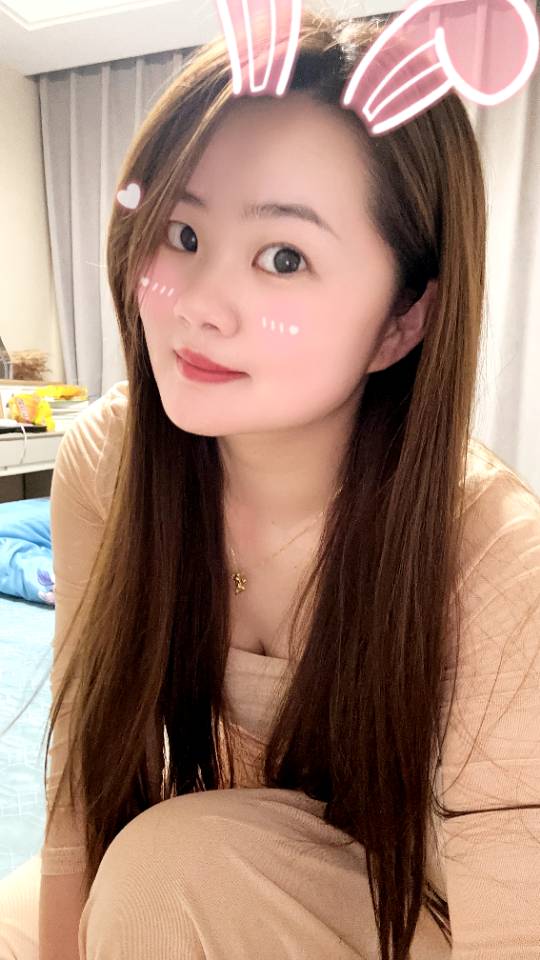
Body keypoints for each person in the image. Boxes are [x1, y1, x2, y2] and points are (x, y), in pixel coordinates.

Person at [1, 10, 539, 960]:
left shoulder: (495, 559)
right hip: (224, 857)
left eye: (283, 256)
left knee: (167, 870)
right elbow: (82, 781)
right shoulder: (108, 466)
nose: (199, 304)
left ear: (403, 320)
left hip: (424, 914)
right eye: (181, 232)